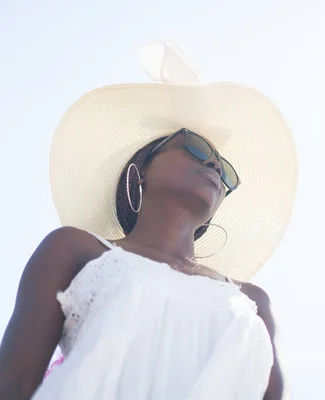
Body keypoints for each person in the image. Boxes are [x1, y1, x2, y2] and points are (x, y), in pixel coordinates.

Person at [0, 41, 298, 399]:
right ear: (140, 170)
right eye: (196, 147)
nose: (216, 167)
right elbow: (13, 383)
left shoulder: (253, 301)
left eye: (227, 173)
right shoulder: (74, 249)